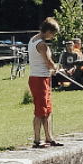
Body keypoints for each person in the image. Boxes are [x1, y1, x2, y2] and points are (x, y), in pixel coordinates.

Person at [28, 18, 65, 148]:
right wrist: (56, 68)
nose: (53, 36)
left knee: (48, 110)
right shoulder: (41, 44)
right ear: (48, 31)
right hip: (39, 79)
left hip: (44, 77)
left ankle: (49, 138)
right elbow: (48, 62)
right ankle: (37, 141)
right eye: (53, 33)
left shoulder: (33, 39)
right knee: (40, 111)